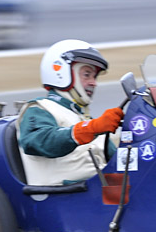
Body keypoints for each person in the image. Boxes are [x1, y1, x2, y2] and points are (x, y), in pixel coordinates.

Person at [16, 39, 123, 185]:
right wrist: (90, 129)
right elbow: (38, 141)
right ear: (62, 73)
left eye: (94, 76)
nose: (94, 83)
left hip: (100, 191)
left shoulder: (83, 118)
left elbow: (118, 161)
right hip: (68, 196)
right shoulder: (40, 108)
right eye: (87, 74)